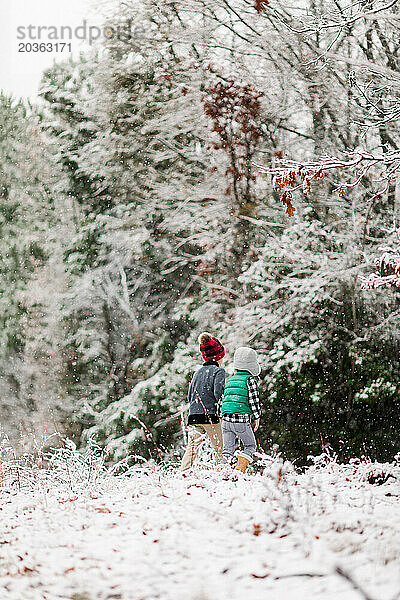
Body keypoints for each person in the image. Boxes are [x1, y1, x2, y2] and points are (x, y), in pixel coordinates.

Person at [180, 332, 225, 471]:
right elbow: (219, 394)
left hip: (194, 417)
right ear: (218, 356)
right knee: (220, 448)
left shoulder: (197, 373)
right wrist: (223, 411)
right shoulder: (219, 371)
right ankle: (222, 473)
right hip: (211, 417)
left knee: (192, 449)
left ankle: (183, 472)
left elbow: (189, 396)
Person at [220, 346, 261, 473]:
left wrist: (222, 416)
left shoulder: (230, 379)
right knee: (250, 446)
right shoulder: (249, 380)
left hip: (226, 420)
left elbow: (224, 399)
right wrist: (257, 417)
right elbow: (253, 401)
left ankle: (221, 472)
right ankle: (239, 471)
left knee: (227, 450)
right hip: (241, 420)